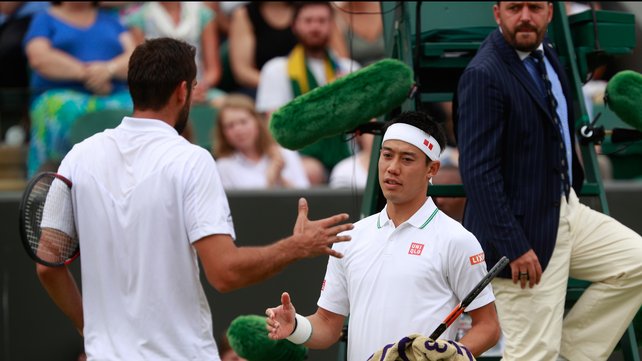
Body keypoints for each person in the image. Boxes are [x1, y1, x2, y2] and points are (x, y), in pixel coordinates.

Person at [35, 37, 353, 360]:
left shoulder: (77, 157)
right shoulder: (192, 160)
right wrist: (296, 246)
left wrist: (89, 328)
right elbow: (225, 273)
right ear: (182, 91)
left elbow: (48, 264)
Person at [455, 2, 642, 361]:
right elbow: (478, 172)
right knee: (533, 353)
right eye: (514, 7)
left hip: (564, 208)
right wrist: (515, 246)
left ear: (550, 13)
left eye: (535, 7)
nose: (525, 16)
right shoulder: (483, 74)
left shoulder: (550, 55)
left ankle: (569, 354)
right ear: (497, 14)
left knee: (633, 263)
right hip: (518, 232)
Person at [265, 111, 500, 361]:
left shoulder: (457, 240)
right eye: (387, 155)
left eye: (407, 159)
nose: (392, 168)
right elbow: (327, 324)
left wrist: (446, 357)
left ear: (431, 168)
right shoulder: (351, 237)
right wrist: (294, 326)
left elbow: (488, 326)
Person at [23, 1, 135, 177]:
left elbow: (135, 56)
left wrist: (108, 70)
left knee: (142, 110)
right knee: (59, 109)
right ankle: (55, 181)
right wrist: (88, 75)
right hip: (61, 95)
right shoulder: (44, 19)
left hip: (113, 94)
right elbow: (39, 57)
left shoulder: (111, 20)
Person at [256, 1, 359, 185]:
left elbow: (365, 122)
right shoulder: (276, 69)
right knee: (311, 171)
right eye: (308, 21)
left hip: (346, 153)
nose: (315, 27)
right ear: (294, 26)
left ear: (331, 25)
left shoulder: (349, 69)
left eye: (321, 21)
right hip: (299, 156)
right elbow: (274, 127)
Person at [124, 2, 224, 105]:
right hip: (156, 91)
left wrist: (195, 89)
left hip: (198, 88)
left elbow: (213, 71)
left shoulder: (203, 14)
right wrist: (172, 93)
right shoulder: (140, 18)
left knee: (223, 102)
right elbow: (140, 69)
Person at [213, 93, 309, 190]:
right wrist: (270, 180)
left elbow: (304, 194)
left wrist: (279, 178)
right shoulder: (223, 166)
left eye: (243, 122)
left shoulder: (285, 152)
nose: (238, 130)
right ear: (223, 133)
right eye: (230, 126)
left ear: (257, 122)